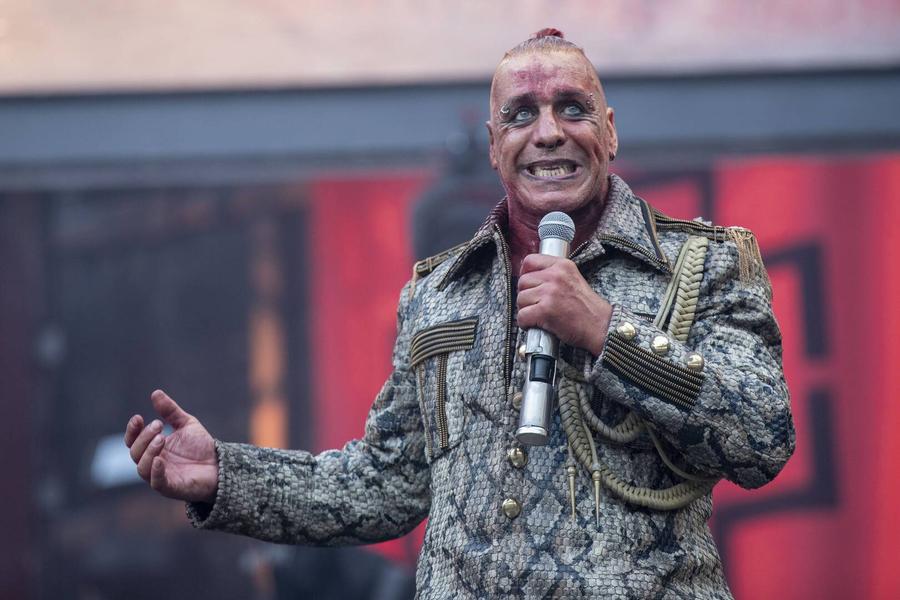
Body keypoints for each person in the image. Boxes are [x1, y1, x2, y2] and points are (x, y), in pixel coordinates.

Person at [125, 29, 795, 599]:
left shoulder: (701, 264)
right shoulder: (438, 291)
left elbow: (763, 439)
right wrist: (226, 476)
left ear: (610, 131)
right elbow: (384, 483)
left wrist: (602, 331)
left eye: (572, 108)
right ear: (495, 145)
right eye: (522, 115)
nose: (549, 133)